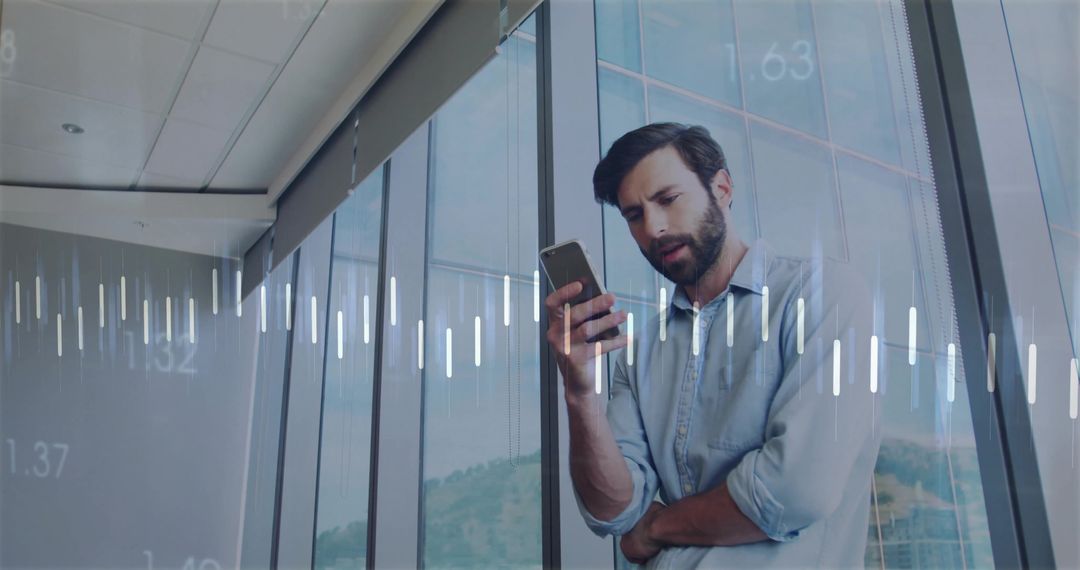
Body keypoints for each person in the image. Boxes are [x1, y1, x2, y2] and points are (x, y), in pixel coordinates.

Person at [544, 123, 880, 568]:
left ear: (721, 188)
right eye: (634, 215)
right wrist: (579, 393)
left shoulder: (822, 296)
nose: (654, 228)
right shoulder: (639, 353)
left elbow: (796, 491)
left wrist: (656, 527)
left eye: (667, 199)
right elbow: (612, 512)